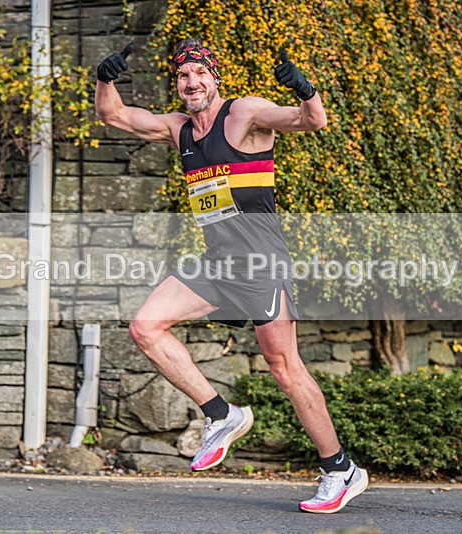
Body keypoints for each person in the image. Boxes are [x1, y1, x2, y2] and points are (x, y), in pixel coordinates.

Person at [95, 38, 368, 514]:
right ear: (176, 84)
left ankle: (340, 469)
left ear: (214, 78)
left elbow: (313, 121)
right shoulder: (178, 127)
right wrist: (103, 78)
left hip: (262, 263)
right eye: (183, 76)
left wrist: (305, 91)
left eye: (200, 74)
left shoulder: (242, 114)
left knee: (285, 369)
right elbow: (115, 116)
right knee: (145, 327)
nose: (191, 83)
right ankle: (222, 415)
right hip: (218, 263)